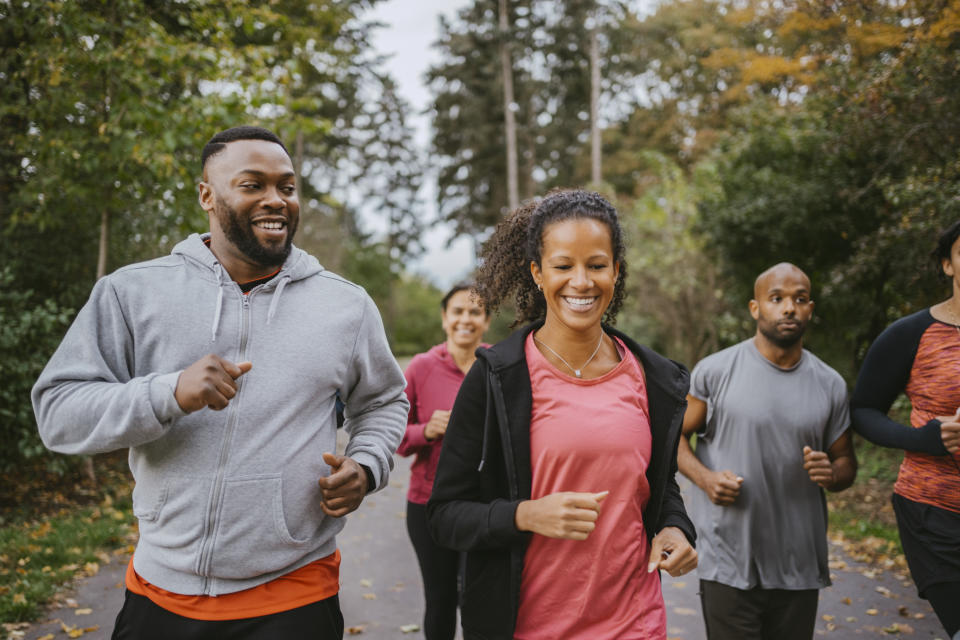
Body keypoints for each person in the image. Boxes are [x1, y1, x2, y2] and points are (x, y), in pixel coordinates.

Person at [31, 126, 408, 639]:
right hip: (160, 592)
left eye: (287, 187)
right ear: (207, 195)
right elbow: (58, 413)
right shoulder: (132, 292)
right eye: (252, 184)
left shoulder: (346, 305)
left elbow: (385, 400)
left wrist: (366, 465)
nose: (275, 200)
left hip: (295, 592)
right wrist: (167, 393)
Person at [427, 189, 698, 640]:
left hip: (635, 621)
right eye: (563, 266)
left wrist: (675, 527)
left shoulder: (652, 377)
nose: (581, 282)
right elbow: (445, 515)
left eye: (596, 265)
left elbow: (657, 483)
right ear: (537, 272)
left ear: (615, 270)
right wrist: (525, 515)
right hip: (530, 626)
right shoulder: (497, 378)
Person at [677, 262, 857, 640]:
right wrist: (707, 480)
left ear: (810, 309)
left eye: (800, 299)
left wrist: (833, 473)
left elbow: (846, 464)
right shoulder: (714, 371)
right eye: (777, 298)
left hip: (799, 565)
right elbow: (673, 441)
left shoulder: (831, 384)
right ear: (755, 308)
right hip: (728, 561)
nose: (789, 308)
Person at [850, 221, 960, 638]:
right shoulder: (912, 334)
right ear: (948, 265)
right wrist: (923, 439)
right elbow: (863, 410)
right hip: (935, 511)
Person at [397, 283, 491, 640]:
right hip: (429, 505)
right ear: (444, 318)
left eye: (475, 312)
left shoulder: (498, 365)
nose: (465, 319)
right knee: (441, 599)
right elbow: (395, 434)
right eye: (458, 311)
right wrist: (426, 431)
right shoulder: (421, 368)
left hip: (485, 506)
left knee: (478, 598)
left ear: (486, 321)